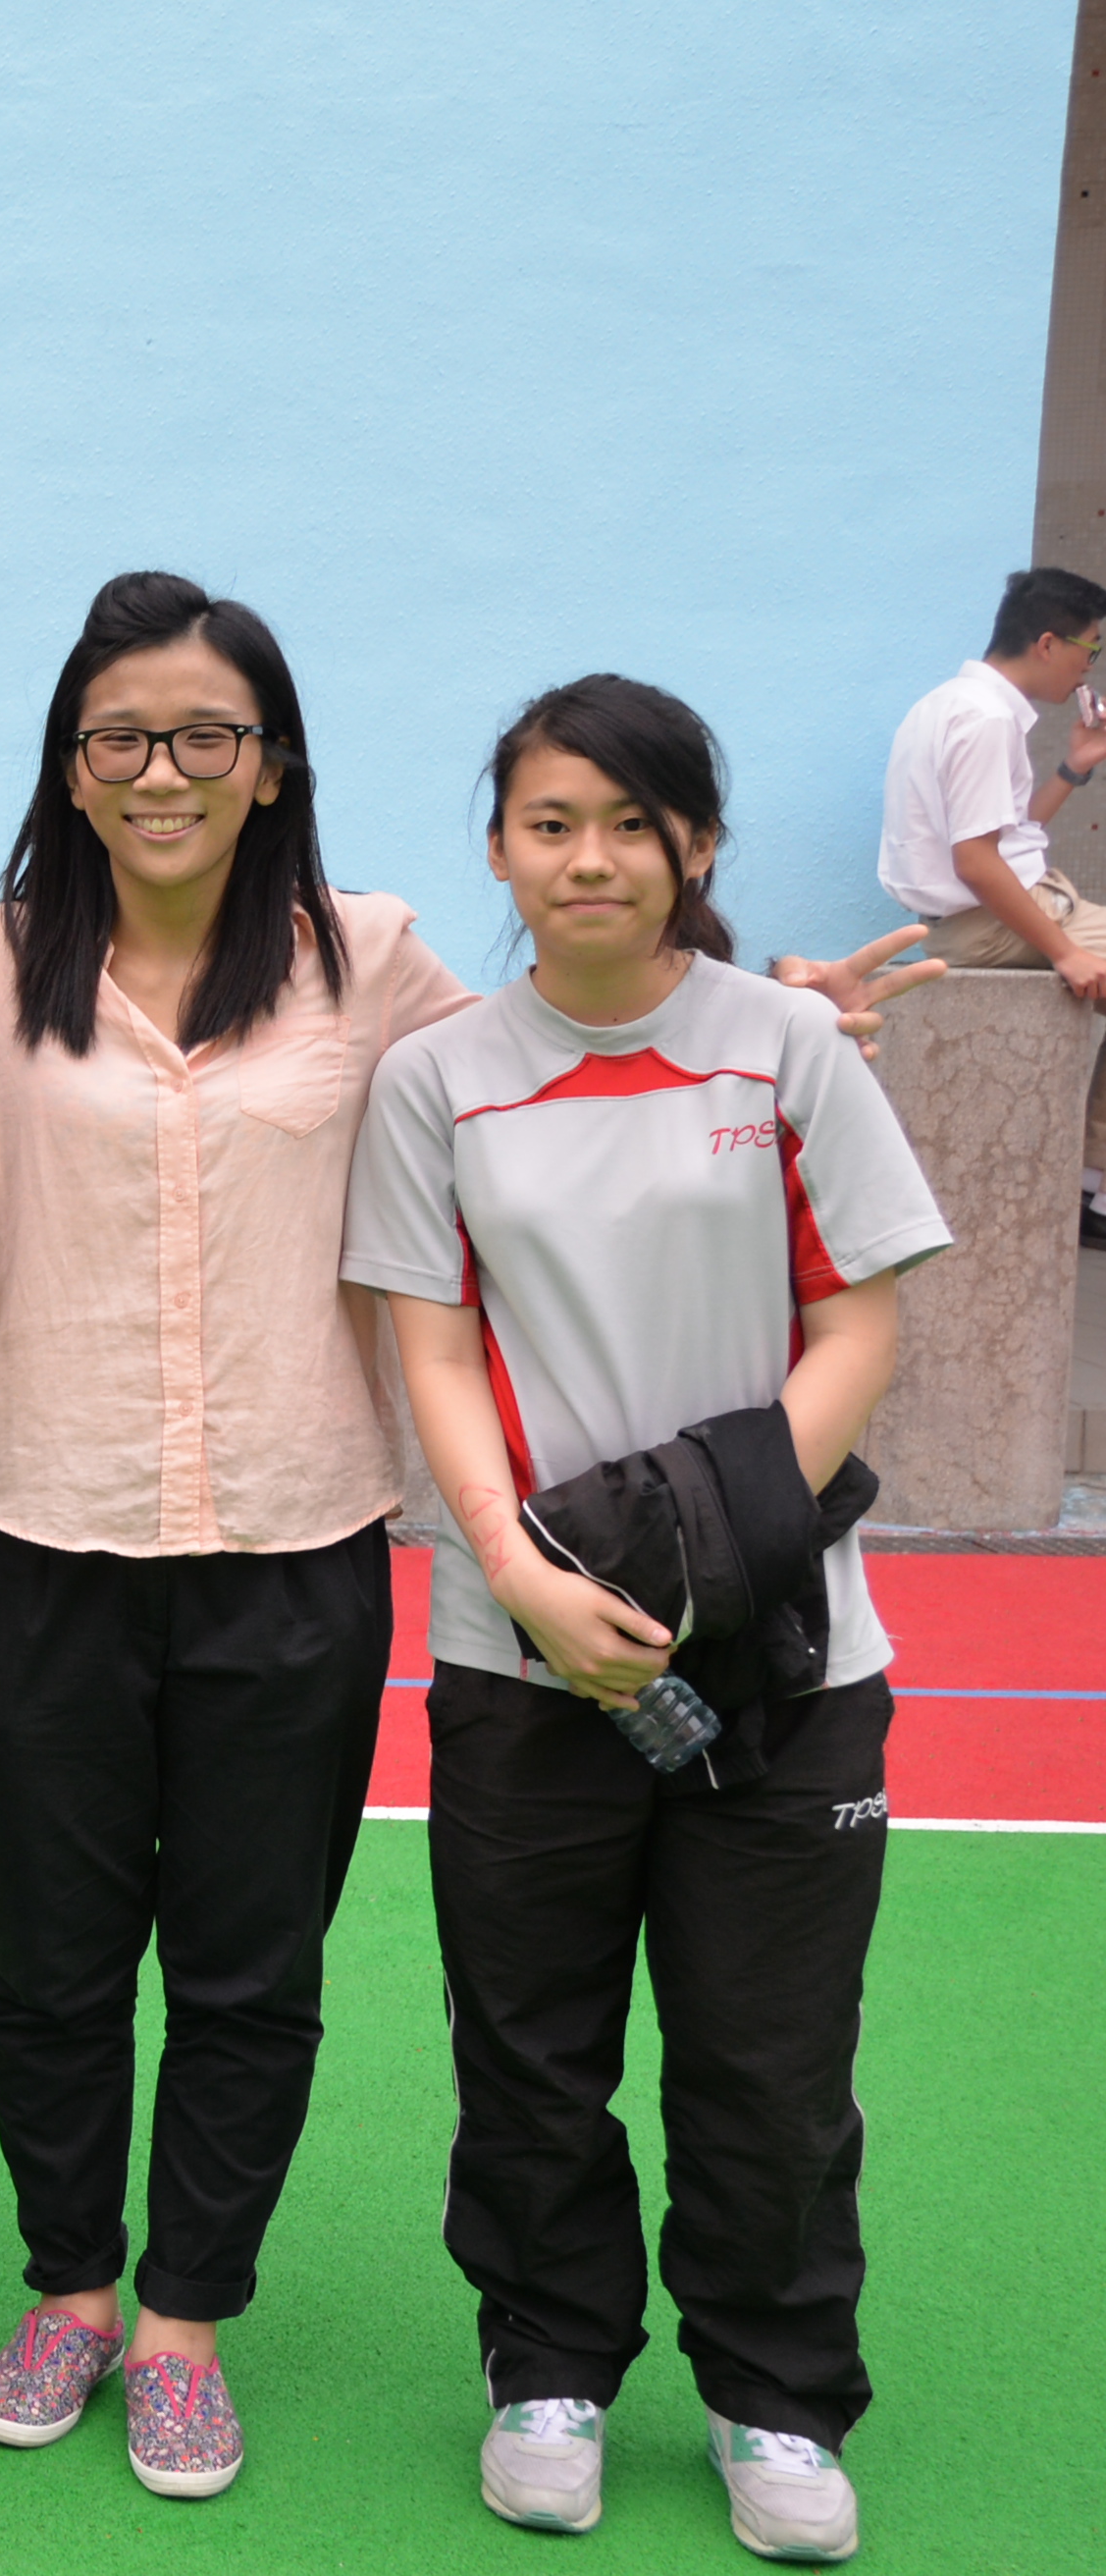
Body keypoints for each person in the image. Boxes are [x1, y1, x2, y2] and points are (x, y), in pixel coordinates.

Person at [351, 674, 947, 2565]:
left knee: (770, 2058)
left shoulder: (787, 1047)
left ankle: (777, 2389)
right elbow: (432, 1347)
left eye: (631, 821)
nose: (589, 856)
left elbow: (860, 1318)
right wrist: (527, 1574)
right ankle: (548, 2365)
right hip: (519, 1651)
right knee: (531, 2049)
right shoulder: (438, 1077)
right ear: (500, 844)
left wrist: (709, 1554)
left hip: (786, 1660)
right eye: (550, 821)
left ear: (695, 843)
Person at [0, 571, 472, 2503]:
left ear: (272, 763)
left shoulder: (371, 962)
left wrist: (755, 1013)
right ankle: (68, 2287)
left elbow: (539, 1092)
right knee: (50, 1954)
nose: (163, 770)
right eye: (122, 737)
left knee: (251, 1959)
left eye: (204, 734)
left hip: (295, 1537)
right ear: (70, 769)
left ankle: (182, 2324)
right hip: (34, 1526)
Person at [875, 564, 1106, 1234]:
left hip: (979, 917)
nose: (1088, 669)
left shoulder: (949, 704)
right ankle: (1095, 1184)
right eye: (1090, 649)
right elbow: (975, 863)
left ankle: (1092, 1180)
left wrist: (1075, 765)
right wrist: (1065, 952)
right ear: (1048, 643)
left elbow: (1008, 837)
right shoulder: (986, 719)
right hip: (991, 923)